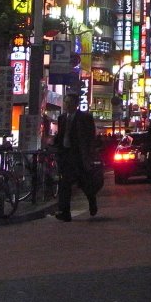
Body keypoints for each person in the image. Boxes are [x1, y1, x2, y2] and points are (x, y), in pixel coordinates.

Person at [53, 92, 99, 222]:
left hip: (79, 155)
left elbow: (90, 137)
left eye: (69, 102)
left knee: (85, 183)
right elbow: (61, 135)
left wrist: (90, 154)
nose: (67, 105)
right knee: (65, 184)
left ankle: (92, 201)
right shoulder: (62, 118)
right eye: (66, 102)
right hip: (66, 155)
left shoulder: (85, 118)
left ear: (76, 104)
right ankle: (65, 212)